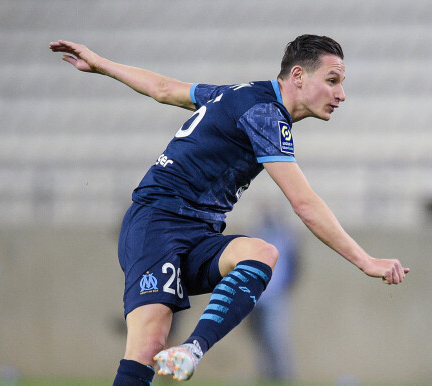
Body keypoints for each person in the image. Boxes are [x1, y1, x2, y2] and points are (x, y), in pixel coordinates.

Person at [49, 35, 410, 385]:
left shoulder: (238, 95)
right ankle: (178, 352)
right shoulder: (265, 114)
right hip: (157, 222)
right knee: (147, 346)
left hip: (200, 232)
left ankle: (192, 349)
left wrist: (102, 65)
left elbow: (163, 89)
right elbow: (304, 204)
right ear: (298, 76)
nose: (341, 94)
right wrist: (365, 260)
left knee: (262, 253)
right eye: (332, 81)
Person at [247, 205, 300, 382]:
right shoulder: (256, 233)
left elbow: (295, 266)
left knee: (274, 335)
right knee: (258, 336)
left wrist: (285, 289)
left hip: (275, 296)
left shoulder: (287, 238)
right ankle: (266, 373)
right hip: (255, 296)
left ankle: (282, 375)